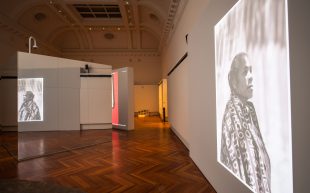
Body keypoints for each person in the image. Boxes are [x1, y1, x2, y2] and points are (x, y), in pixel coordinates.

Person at [220, 52, 271, 193]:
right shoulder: (232, 116)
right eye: (245, 72)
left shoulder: (249, 111)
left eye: (251, 71)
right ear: (234, 82)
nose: (251, 77)